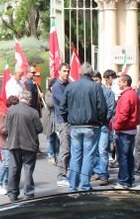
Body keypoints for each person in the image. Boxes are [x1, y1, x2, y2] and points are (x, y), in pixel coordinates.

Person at [59, 62, 107, 192]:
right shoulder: (95, 87)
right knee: (88, 155)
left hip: (75, 126)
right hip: (91, 126)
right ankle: (85, 185)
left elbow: (62, 107)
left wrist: (67, 119)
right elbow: (102, 108)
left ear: (80, 73)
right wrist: (101, 121)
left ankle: (73, 185)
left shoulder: (71, 86)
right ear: (91, 73)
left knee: (75, 155)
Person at [4, 90, 44, 203]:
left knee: (14, 169)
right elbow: (39, 128)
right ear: (29, 100)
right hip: (29, 145)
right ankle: (28, 193)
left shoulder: (11, 110)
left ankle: (12, 193)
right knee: (28, 169)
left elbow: (7, 127)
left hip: (14, 144)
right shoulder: (33, 112)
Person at [113, 74, 140, 189]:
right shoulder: (133, 94)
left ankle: (123, 181)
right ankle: (130, 179)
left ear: (125, 82)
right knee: (129, 156)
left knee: (123, 157)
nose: (118, 83)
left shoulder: (126, 96)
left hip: (124, 130)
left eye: (120, 81)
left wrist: (117, 127)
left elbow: (123, 114)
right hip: (131, 129)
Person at [92, 71, 116, 185]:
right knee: (95, 150)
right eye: (93, 80)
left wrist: (103, 119)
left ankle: (103, 174)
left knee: (102, 150)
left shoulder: (107, 92)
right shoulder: (91, 91)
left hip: (103, 125)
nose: (94, 82)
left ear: (100, 80)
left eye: (96, 80)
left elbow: (111, 109)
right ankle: (97, 171)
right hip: (93, 125)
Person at [0, 95, 19, 195]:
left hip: (12, 143)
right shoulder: (4, 116)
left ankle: (6, 183)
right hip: (5, 144)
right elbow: (1, 130)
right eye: (13, 106)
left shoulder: (15, 116)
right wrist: (11, 128)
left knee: (10, 165)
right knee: (6, 164)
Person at [51, 63, 72, 187]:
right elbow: (65, 102)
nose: (66, 73)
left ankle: (71, 174)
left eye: (68, 71)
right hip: (63, 122)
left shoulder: (69, 85)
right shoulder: (57, 87)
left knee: (72, 150)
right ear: (59, 71)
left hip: (72, 121)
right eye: (64, 71)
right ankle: (61, 176)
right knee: (65, 150)